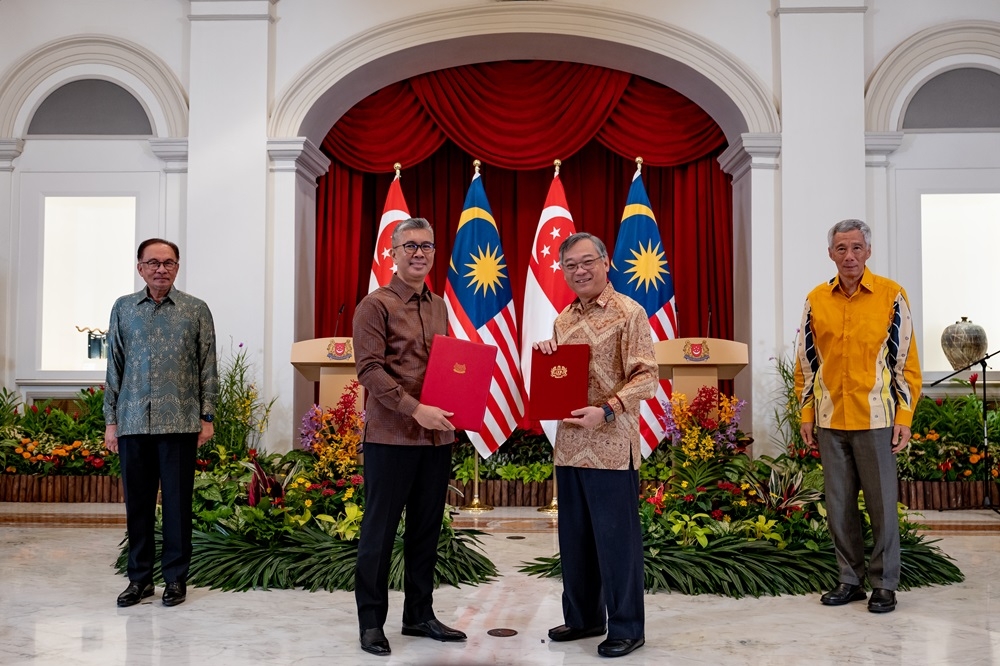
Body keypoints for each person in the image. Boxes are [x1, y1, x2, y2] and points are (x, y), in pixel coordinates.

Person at [533, 232, 656, 659]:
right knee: (575, 540)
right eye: (570, 265)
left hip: (611, 446)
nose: (579, 271)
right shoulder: (563, 319)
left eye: (587, 262)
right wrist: (547, 352)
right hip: (570, 445)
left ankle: (627, 627)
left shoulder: (629, 312)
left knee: (616, 543)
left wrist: (606, 410)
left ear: (606, 263)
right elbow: (559, 377)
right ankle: (584, 618)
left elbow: (647, 377)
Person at [794, 218, 921, 614]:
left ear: (868, 251)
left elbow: (905, 362)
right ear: (830, 254)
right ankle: (849, 580)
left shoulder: (891, 295)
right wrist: (806, 413)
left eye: (856, 248)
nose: (849, 256)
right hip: (830, 419)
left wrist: (904, 416)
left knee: (882, 506)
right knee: (839, 506)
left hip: (876, 419)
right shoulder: (816, 299)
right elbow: (806, 363)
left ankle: (884, 584)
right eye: (841, 248)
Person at [352, 217, 466, 657]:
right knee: (379, 533)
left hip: (436, 439)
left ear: (434, 253)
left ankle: (419, 615)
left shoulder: (439, 306)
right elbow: (369, 369)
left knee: (425, 531)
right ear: (393, 253)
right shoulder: (374, 305)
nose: (419, 253)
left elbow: (446, 365)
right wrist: (415, 409)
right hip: (392, 437)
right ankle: (371, 624)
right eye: (410, 246)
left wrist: (459, 400)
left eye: (426, 246)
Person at [104, 238, 218, 608]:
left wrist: (207, 416)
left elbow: (208, 366)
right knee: (137, 506)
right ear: (140, 267)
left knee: (177, 505)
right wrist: (111, 422)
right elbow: (114, 366)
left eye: (168, 263)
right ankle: (139, 580)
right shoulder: (123, 308)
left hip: (180, 422)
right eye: (153, 262)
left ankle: (175, 579)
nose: (160, 269)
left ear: (177, 267)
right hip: (133, 421)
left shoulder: (195, 310)